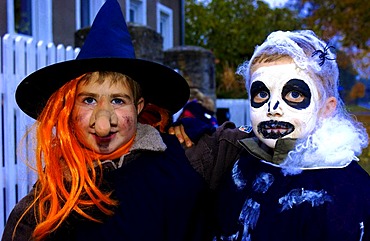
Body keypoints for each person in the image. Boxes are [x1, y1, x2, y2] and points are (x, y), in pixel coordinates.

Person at [1, 1, 212, 240]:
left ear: (138, 107)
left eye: (118, 101)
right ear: (69, 108)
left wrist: (195, 131)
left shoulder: (186, 157)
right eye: (89, 100)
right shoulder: (47, 198)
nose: (104, 122)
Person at [170, 30, 370, 240]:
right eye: (262, 93)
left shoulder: (348, 195)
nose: (272, 108)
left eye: (294, 94)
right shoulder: (242, 157)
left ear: (326, 108)